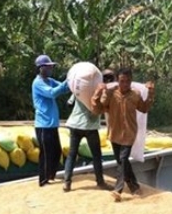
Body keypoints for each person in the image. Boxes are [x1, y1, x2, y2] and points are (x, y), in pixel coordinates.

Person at [100, 67, 155, 201]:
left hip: (129, 133)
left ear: (131, 81)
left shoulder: (135, 94)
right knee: (121, 161)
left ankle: (118, 190)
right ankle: (135, 187)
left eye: (128, 81)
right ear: (118, 81)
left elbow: (144, 108)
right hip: (114, 133)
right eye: (122, 81)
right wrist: (105, 92)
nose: (125, 84)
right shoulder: (112, 93)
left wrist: (151, 94)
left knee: (123, 160)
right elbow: (102, 104)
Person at [62, 69, 114, 192]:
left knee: (72, 155)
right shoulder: (103, 91)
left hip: (75, 124)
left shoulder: (80, 88)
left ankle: (67, 183)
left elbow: (69, 104)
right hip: (90, 127)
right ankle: (100, 182)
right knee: (96, 155)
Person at [32, 54, 70, 186]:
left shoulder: (50, 80)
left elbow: (64, 88)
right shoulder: (38, 83)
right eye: (48, 67)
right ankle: (43, 180)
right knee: (46, 153)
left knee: (56, 151)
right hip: (43, 125)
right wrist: (67, 80)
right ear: (41, 68)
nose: (51, 69)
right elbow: (52, 93)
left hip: (52, 124)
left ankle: (50, 176)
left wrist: (72, 81)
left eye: (51, 67)